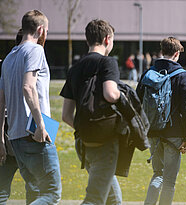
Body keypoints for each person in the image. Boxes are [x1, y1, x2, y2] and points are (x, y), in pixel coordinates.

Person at [0, 10, 62, 204]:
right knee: (52, 193)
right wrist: (41, 125)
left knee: (36, 191)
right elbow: (28, 87)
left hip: (16, 135)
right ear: (41, 29)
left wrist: (1, 137)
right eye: (47, 31)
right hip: (35, 131)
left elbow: (1, 101)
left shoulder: (9, 57)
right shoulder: (35, 50)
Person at [61, 19, 122, 205]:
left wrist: (83, 127)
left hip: (83, 144)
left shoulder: (74, 69)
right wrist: (125, 95)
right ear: (107, 39)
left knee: (113, 199)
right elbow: (111, 94)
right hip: (104, 142)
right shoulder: (107, 63)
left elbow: (65, 115)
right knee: (95, 199)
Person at [137, 37, 186, 205]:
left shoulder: (148, 73)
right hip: (174, 134)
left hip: (152, 131)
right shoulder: (182, 76)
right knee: (169, 181)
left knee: (157, 174)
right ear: (176, 53)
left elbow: (137, 102)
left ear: (162, 51)